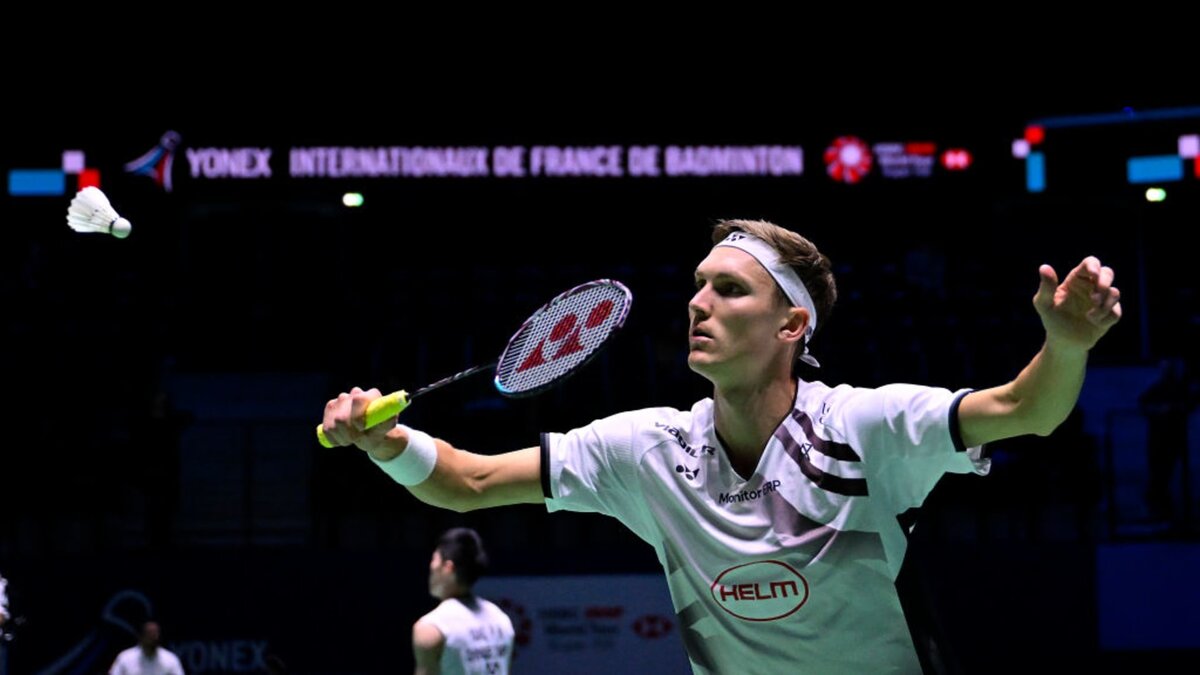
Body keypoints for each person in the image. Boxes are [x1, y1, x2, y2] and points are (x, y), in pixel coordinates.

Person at [322, 219, 1122, 674]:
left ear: (792, 324)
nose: (698, 303)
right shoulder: (646, 448)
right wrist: (388, 442)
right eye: (699, 284)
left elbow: (1026, 409)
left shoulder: (864, 427)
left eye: (729, 288)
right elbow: (467, 481)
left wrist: (1066, 343)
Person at [412, 527, 515, 675]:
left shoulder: (431, 628)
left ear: (448, 567)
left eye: (434, 559)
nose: (431, 566)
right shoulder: (502, 620)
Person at [1138, 356, 1196, 523]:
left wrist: (1172, 409)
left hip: (1173, 441)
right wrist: (1160, 410)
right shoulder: (1158, 389)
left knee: (1171, 476)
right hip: (1159, 441)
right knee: (1159, 476)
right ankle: (1161, 511)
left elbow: (1189, 405)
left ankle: (1170, 513)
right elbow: (1143, 404)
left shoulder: (1179, 389)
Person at [109, 620, 185, 675]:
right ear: (141, 636)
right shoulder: (125, 657)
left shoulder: (170, 659)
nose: (154, 638)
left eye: (156, 634)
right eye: (149, 634)